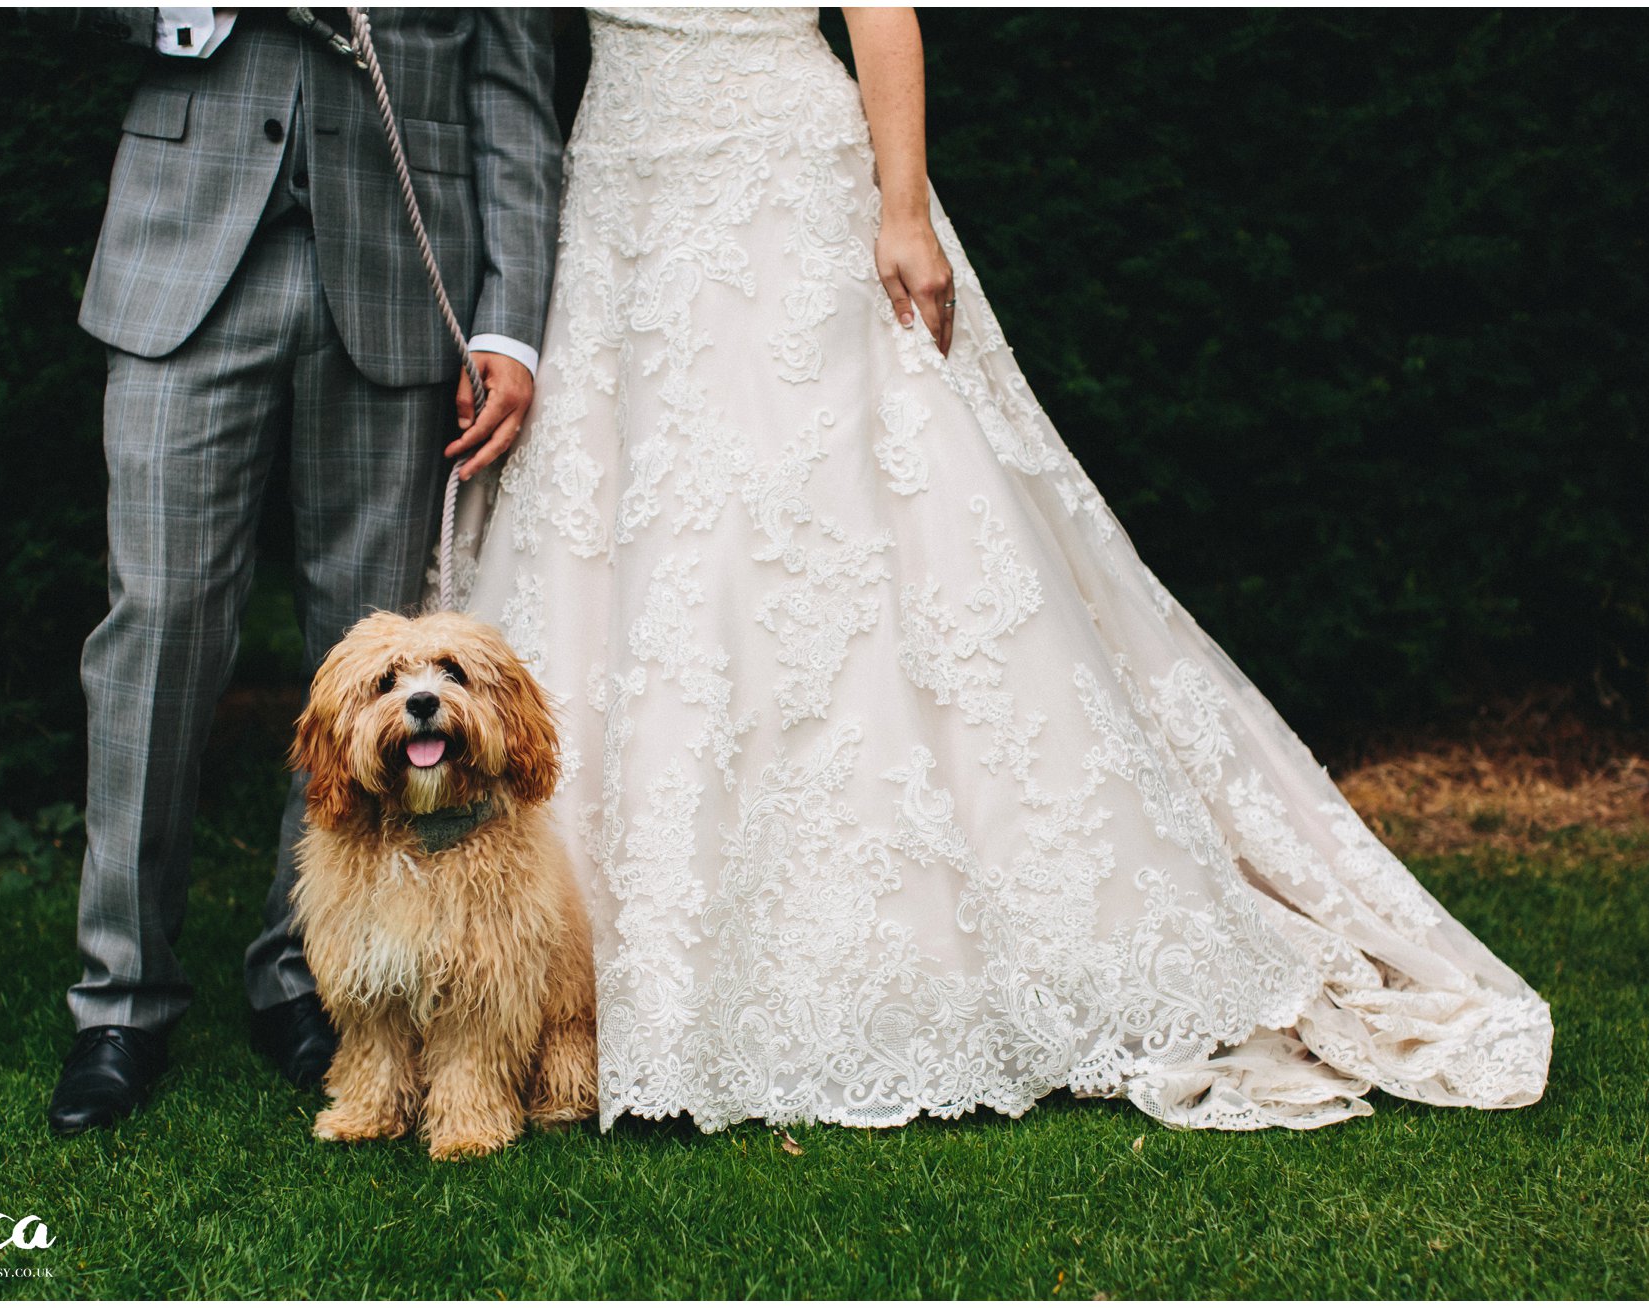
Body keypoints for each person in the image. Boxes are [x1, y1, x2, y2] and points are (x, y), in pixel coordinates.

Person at [455, 7, 1552, 1132]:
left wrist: (901, 207)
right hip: (624, 206)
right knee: (634, 546)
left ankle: (878, 962)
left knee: (838, 542)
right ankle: (564, 974)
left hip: (782, 184)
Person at [49, 7, 561, 1135]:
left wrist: (510, 324)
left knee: (369, 660)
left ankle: (308, 979)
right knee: (157, 630)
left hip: (393, 286)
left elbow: (513, 92)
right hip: (181, 257)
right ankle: (120, 1001)